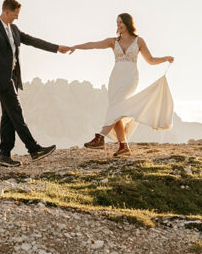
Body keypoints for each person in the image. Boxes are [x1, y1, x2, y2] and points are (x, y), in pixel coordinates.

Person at [71, 13, 174, 157]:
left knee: (117, 107)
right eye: (117, 22)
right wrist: (76, 46)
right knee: (117, 110)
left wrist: (165, 59)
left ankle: (100, 137)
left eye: (121, 22)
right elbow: (93, 45)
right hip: (115, 79)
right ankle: (123, 147)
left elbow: (150, 60)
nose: (118, 25)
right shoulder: (113, 41)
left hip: (130, 78)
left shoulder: (139, 41)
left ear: (128, 23)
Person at [0, 0, 70, 166]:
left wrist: (57, 48)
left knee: (8, 116)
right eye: (16, 14)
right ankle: (34, 149)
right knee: (16, 113)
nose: (17, 17)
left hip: (13, 78)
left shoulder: (14, 29)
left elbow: (32, 40)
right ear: (7, 11)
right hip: (0, 80)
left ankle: (4, 155)